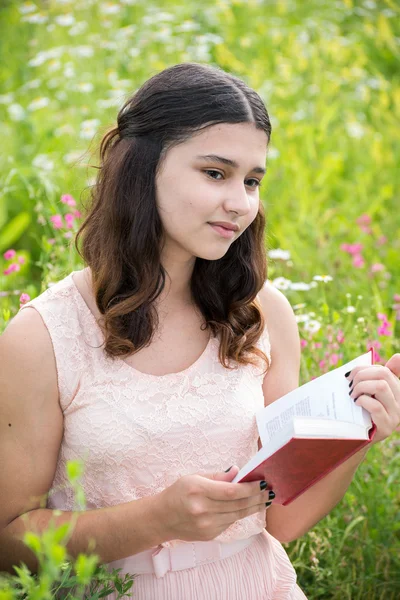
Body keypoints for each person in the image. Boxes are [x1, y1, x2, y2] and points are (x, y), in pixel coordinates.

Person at [1, 63, 399, 600]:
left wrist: (358, 435)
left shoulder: (261, 313)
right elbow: (8, 540)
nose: (240, 202)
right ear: (141, 168)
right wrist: (156, 518)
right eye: (215, 173)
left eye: (252, 180)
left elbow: (278, 524)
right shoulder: (42, 337)